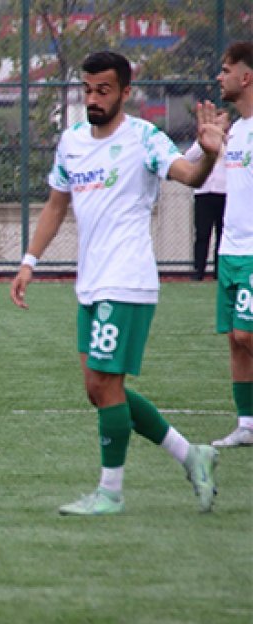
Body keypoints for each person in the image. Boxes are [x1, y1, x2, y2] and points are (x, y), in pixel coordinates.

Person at [9, 50, 224, 516]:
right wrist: (29, 261)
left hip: (126, 279)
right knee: (98, 388)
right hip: (91, 282)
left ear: (125, 92)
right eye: (87, 89)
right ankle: (192, 454)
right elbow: (55, 205)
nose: (93, 98)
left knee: (107, 385)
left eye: (103, 90)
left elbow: (187, 176)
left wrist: (207, 157)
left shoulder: (144, 138)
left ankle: (111, 492)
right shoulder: (71, 142)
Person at [212, 41, 253, 448]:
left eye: (226, 70)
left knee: (248, 335)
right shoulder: (237, 130)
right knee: (234, 340)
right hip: (231, 250)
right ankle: (247, 424)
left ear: (247, 77)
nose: (220, 77)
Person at [183, 137, 225, 280]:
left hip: (224, 192)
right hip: (204, 193)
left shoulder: (232, 141)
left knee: (222, 235)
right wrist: (205, 144)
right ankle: (198, 270)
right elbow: (188, 158)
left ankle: (219, 272)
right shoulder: (200, 142)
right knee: (202, 234)